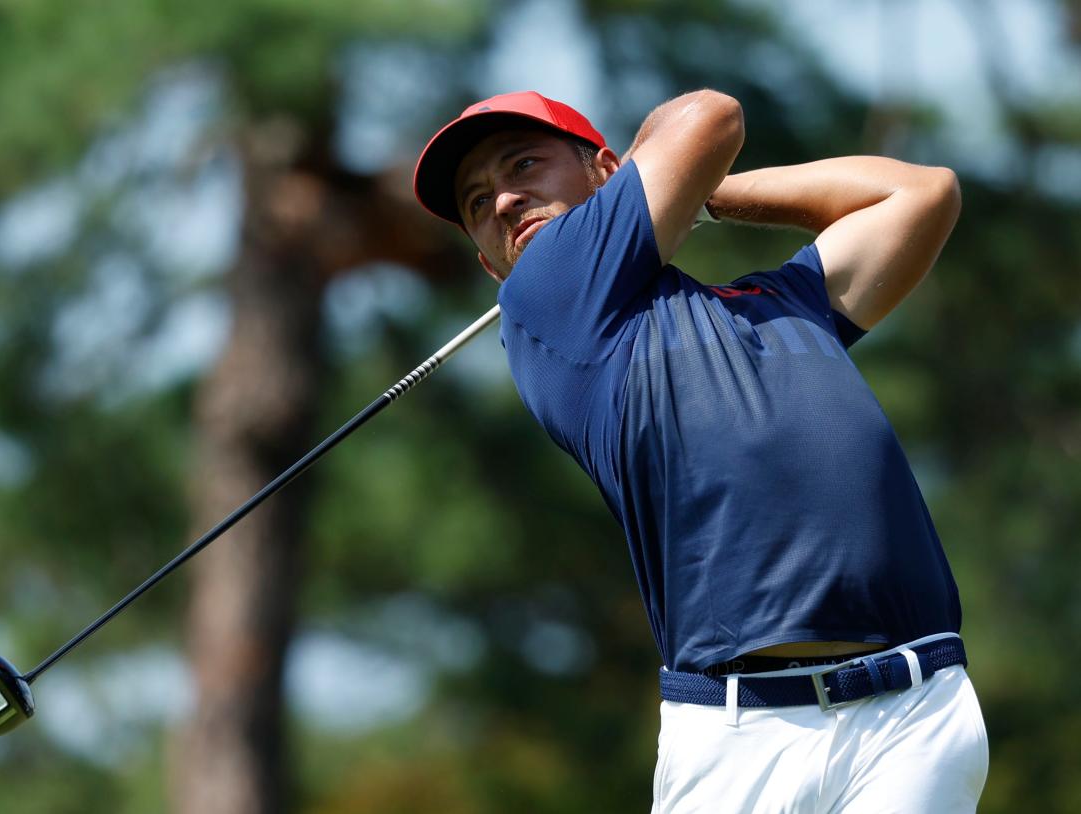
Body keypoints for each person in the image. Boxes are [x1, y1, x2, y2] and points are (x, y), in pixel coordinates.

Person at [412, 90, 988, 812]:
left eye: (523, 164)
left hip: (916, 710)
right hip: (742, 732)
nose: (501, 201)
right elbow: (710, 117)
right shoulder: (546, 292)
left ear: (606, 172)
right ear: (492, 269)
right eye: (475, 203)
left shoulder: (780, 303)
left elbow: (921, 191)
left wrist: (699, 196)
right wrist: (667, 189)